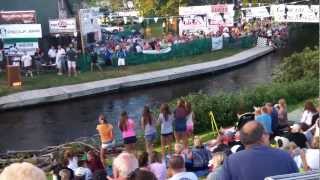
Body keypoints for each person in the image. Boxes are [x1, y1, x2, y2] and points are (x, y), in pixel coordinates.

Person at [220, 121, 298, 180]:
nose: (268, 135)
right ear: (263, 137)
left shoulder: (230, 162)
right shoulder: (285, 157)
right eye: (266, 133)